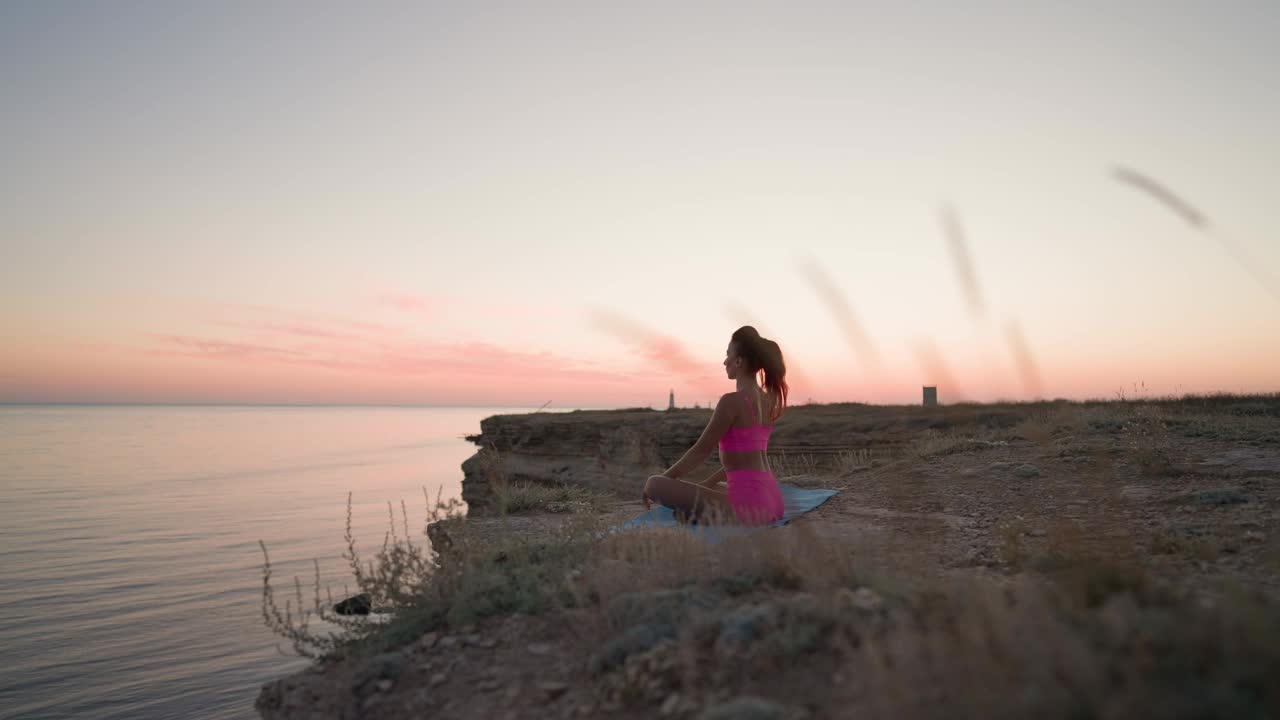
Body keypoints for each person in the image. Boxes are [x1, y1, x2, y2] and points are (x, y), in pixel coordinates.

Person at [641, 326, 788, 525]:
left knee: (654, 484)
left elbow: (700, 452)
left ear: (738, 361)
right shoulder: (766, 400)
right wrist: (705, 485)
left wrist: (665, 479)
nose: (724, 361)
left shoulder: (731, 401)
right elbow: (742, 461)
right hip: (772, 499)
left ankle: (705, 514)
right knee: (714, 486)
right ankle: (701, 514)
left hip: (750, 507)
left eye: (728, 354)